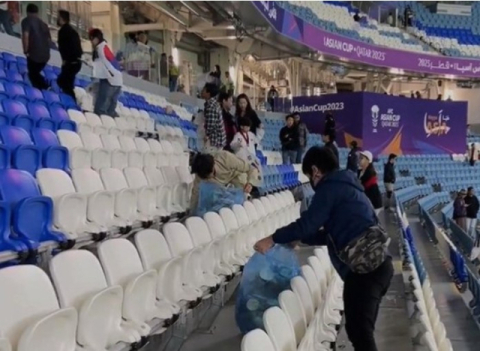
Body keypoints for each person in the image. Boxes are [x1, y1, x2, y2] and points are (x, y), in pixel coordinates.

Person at [254, 146, 393, 351]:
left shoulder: (330, 188)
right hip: (375, 267)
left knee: (361, 333)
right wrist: (300, 239)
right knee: (357, 331)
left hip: (366, 271)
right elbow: (329, 234)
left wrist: (272, 238)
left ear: (316, 170)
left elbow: (307, 223)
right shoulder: (346, 185)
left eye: (309, 175)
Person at [190, 151, 258, 212]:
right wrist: (191, 212)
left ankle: (245, 202)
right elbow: (195, 194)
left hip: (236, 180)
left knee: (241, 182)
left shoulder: (225, 158)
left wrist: (250, 183)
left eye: (213, 173)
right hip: (221, 190)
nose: (212, 178)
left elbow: (251, 168)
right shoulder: (200, 176)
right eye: (207, 177)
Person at [89, 28, 123, 117]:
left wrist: (90, 63)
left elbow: (102, 64)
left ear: (95, 39)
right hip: (117, 80)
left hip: (109, 80)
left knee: (100, 110)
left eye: (91, 39)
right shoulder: (105, 47)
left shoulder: (100, 49)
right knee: (110, 111)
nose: (91, 42)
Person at [21, 4, 51, 90]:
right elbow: (49, 40)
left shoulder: (26, 21)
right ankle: (43, 89)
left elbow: (25, 36)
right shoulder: (44, 24)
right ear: (37, 12)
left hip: (34, 54)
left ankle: (45, 87)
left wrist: (25, 50)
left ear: (27, 12)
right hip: (45, 55)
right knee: (34, 73)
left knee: (32, 74)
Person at [56, 10, 83, 101]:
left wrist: (64, 60)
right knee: (67, 83)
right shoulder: (74, 32)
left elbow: (63, 48)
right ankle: (71, 101)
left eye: (58, 17)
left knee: (63, 82)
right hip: (77, 62)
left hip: (70, 62)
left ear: (61, 19)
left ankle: (72, 101)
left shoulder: (63, 31)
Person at [202, 82, 226, 153]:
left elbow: (211, 125)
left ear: (208, 93)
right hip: (218, 140)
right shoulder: (213, 103)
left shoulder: (211, 106)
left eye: (204, 90)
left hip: (215, 141)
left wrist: (207, 136)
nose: (202, 91)